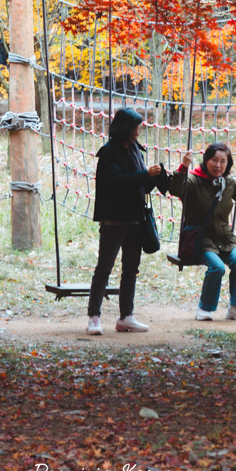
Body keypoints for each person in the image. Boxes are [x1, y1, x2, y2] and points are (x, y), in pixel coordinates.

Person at [87, 107, 166, 335]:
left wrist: (157, 177)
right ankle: (94, 317)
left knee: (131, 270)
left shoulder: (135, 151)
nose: (137, 133)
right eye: (135, 129)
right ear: (125, 128)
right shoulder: (108, 154)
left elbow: (141, 185)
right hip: (114, 221)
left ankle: (126, 317)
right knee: (104, 269)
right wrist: (145, 175)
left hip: (135, 220)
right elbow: (117, 183)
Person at [168, 142, 236, 321]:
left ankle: (235, 307)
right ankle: (204, 308)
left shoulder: (228, 183)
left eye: (223, 161)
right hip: (201, 239)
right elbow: (176, 189)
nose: (218, 165)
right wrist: (183, 166)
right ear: (206, 160)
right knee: (217, 267)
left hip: (224, 237)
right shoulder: (193, 180)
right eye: (214, 160)